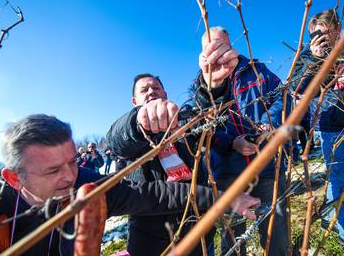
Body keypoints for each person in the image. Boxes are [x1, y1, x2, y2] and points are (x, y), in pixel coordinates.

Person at [0, 114, 259, 255]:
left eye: (71, 161)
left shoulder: (84, 184)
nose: (69, 176)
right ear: (15, 179)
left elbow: (152, 194)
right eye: (53, 170)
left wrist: (226, 198)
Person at [107, 73, 250, 255]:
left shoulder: (184, 122)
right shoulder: (131, 132)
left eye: (156, 88)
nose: (151, 92)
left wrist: (214, 87)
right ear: (135, 101)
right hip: (151, 241)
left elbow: (209, 116)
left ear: (165, 94)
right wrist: (139, 122)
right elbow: (116, 139)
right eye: (144, 90)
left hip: (198, 232)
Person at [193, 26, 289, 255]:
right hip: (227, 174)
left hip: (266, 166)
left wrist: (269, 123)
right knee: (233, 239)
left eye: (221, 44)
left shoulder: (258, 71)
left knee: (275, 232)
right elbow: (201, 127)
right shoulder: (201, 87)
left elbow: (282, 97)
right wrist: (231, 142)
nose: (218, 51)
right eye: (211, 47)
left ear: (231, 44)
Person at [292, 9, 344, 253]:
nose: (321, 36)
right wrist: (316, 59)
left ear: (337, 29)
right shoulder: (309, 55)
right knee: (342, 181)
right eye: (315, 33)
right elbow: (298, 89)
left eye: (325, 31)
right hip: (333, 126)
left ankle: (332, 214)